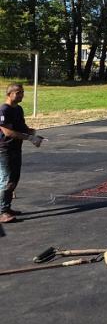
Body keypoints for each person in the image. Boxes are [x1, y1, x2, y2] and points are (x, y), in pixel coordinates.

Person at [1, 83, 43, 223]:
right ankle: (2, 211)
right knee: (7, 180)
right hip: (4, 149)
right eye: (18, 92)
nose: (21, 95)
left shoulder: (18, 109)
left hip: (15, 148)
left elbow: (21, 127)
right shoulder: (4, 110)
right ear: (9, 94)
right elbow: (8, 132)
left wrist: (30, 132)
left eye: (22, 92)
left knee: (14, 179)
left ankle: (6, 207)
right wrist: (30, 138)